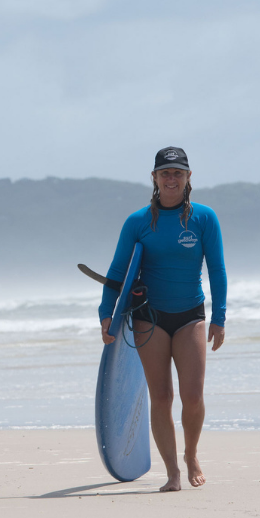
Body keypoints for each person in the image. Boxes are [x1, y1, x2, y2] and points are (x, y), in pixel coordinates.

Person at [99, 146, 226, 492]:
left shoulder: (203, 218)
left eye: (178, 173)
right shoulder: (138, 222)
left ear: (188, 178)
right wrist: (105, 315)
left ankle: (191, 454)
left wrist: (220, 317)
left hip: (190, 317)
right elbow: (116, 273)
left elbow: (216, 269)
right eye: (165, 173)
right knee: (162, 396)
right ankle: (172, 472)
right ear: (154, 178)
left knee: (194, 396)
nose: (172, 179)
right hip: (149, 319)